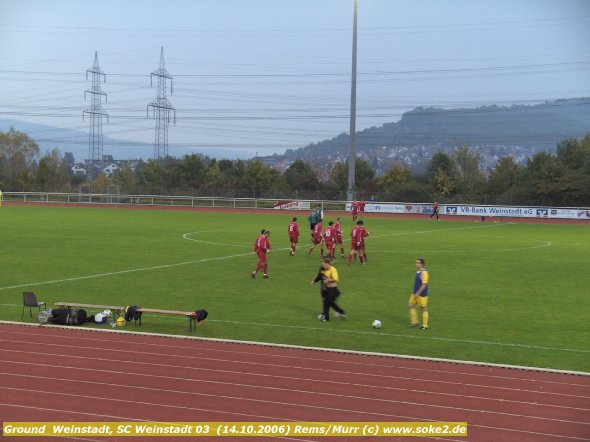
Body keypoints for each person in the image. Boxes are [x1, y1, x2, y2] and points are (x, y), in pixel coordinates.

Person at [408, 258, 430, 330]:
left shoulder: (424, 273)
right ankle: (414, 322)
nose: (416, 264)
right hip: (415, 293)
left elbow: (424, 284)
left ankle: (425, 325)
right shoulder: (418, 272)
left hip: (421, 294)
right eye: (416, 262)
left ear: (421, 264)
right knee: (410, 305)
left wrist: (418, 293)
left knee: (423, 308)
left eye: (417, 263)